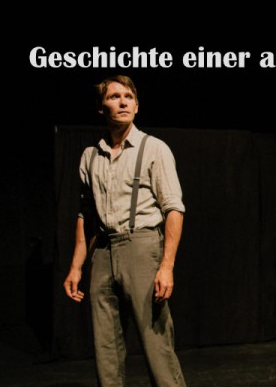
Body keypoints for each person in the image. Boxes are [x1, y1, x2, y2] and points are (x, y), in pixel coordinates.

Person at [63, 76, 186, 387]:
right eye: (114, 96)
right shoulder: (90, 156)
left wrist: (167, 266)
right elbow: (86, 215)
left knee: (156, 344)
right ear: (100, 107)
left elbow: (174, 208)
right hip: (103, 251)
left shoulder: (153, 148)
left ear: (137, 105)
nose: (122, 102)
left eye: (128, 97)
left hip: (142, 247)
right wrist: (76, 266)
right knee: (106, 348)